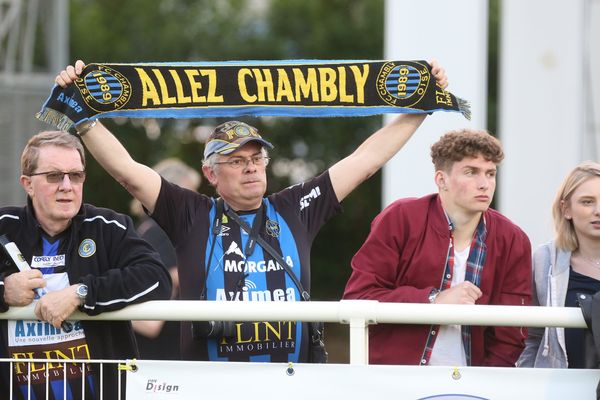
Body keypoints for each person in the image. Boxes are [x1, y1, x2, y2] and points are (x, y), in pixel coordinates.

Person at [55, 59, 448, 363]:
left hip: (291, 382)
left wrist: (420, 109)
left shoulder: (295, 207)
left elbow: (365, 161)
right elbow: (128, 173)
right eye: (236, 160)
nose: (250, 167)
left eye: (256, 158)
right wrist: (82, 117)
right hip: (212, 384)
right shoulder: (191, 213)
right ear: (210, 173)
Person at [0, 131, 172, 398]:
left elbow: (157, 278)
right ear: (28, 184)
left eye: (76, 175)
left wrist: (81, 293)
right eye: (54, 176)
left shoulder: (108, 226)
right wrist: (3, 290)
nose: (67, 185)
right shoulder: (4, 226)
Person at [343, 129, 532, 367]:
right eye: (471, 172)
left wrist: (485, 385)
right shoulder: (401, 218)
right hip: (395, 380)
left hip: (471, 386)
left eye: (490, 173)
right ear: (441, 180)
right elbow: (358, 296)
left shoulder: (513, 239)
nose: (484, 184)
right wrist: (434, 299)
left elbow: (511, 335)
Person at [517, 161, 600, 368]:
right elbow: (532, 336)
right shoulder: (545, 260)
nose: (598, 210)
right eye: (587, 202)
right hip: (561, 388)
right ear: (566, 209)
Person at [131, 158, 201, 360]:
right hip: (164, 351)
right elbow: (165, 279)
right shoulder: (161, 233)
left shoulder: (145, 229)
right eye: (188, 193)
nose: (194, 201)